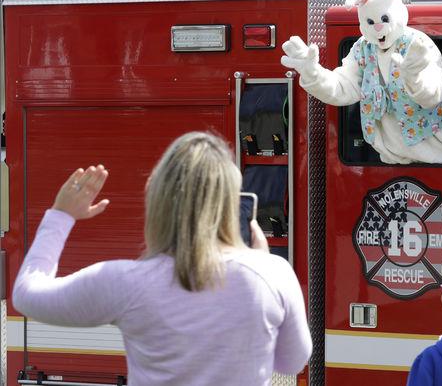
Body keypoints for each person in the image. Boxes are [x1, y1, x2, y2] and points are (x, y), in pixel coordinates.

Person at [12, 131, 312, 386]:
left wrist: (61, 216)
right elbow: (291, 362)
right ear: (231, 202)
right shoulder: (273, 273)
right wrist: (260, 262)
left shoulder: (125, 282)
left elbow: (26, 295)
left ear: (157, 197)